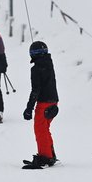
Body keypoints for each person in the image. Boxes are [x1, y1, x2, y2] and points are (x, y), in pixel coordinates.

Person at [22, 41, 59, 169]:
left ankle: (45, 158)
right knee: (45, 128)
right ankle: (50, 154)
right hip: (53, 100)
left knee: (40, 129)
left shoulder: (36, 69)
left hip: (44, 103)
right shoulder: (49, 64)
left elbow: (35, 90)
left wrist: (29, 108)